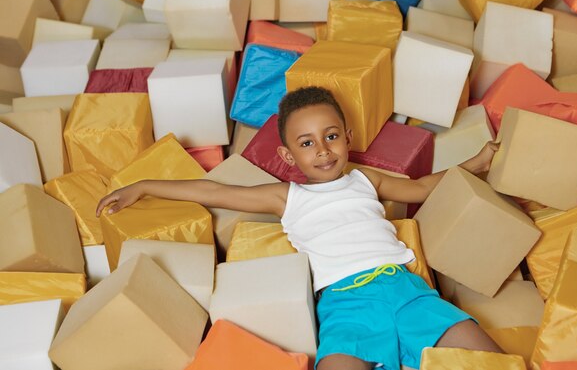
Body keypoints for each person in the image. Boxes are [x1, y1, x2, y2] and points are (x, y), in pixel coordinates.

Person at [97, 86, 503, 370]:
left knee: (491, 361)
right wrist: (144, 186)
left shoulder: (366, 180)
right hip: (346, 307)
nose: (323, 150)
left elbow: (421, 186)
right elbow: (214, 191)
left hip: (406, 292)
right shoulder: (286, 197)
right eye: (306, 144)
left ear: (348, 137)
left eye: (330, 137)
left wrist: (475, 162)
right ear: (287, 156)